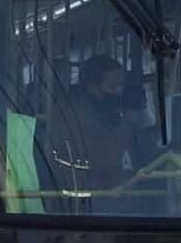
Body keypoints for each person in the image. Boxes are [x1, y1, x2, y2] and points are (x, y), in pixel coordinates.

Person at [48, 55, 142, 198]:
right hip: (92, 206)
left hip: (122, 203)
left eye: (122, 86)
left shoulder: (110, 116)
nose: (119, 92)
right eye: (113, 86)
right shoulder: (73, 118)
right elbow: (95, 160)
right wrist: (128, 124)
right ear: (92, 88)